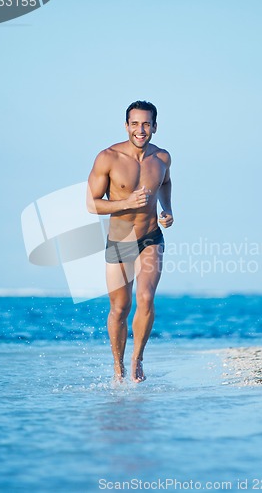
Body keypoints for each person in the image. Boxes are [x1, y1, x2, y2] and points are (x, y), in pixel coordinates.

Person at [87, 101, 173, 383]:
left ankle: (137, 359)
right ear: (126, 126)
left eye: (146, 124)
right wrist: (126, 201)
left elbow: (166, 184)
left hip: (151, 237)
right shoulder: (107, 158)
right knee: (120, 308)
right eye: (135, 124)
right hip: (120, 238)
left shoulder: (162, 158)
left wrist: (167, 209)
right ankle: (117, 365)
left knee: (146, 297)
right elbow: (92, 204)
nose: (140, 130)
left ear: (155, 127)